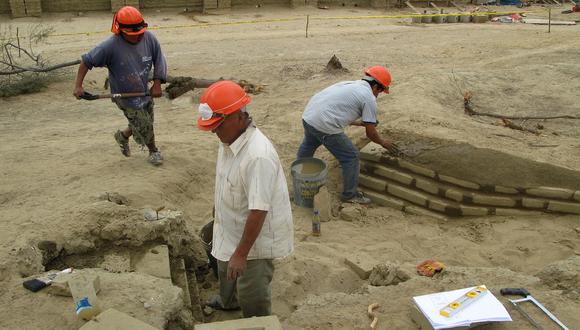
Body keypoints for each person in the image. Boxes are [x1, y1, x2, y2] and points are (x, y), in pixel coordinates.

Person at [197, 80, 294, 317]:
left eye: (218, 126)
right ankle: (228, 301)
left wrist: (241, 254)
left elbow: (258, 211)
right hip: (230, 227)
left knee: (252, 291)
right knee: (224, 269)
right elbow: (226, 178)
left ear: (238, 117)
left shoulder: (257, 156)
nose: (213, 131)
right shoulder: (229, 138)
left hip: (254, 241)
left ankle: (257, 320)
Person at [73, 6, 167, 165]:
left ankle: (122, 136)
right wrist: (78, 86)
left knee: (146, 121)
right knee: (144, 124)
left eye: (140, 33)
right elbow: (86, 62)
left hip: (144, 91)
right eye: (133, 35)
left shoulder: (149, 38)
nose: (138, 37)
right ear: (120, 30)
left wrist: (157, 83)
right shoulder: (109, 46)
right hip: (124, 96)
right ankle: (153, 151)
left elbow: (159, 59)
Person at [297, 66, 398, 204]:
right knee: (351, 156)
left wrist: (360, 123)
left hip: (309, 117)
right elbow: (371, 133)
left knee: (309, 143)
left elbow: (339, 110)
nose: (377, 95)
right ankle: (350, 195)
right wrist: (382, 142)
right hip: (324, 124)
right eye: (380, 91)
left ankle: (299, 177)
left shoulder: (350, 84)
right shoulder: (368, 98)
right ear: (376, 86)